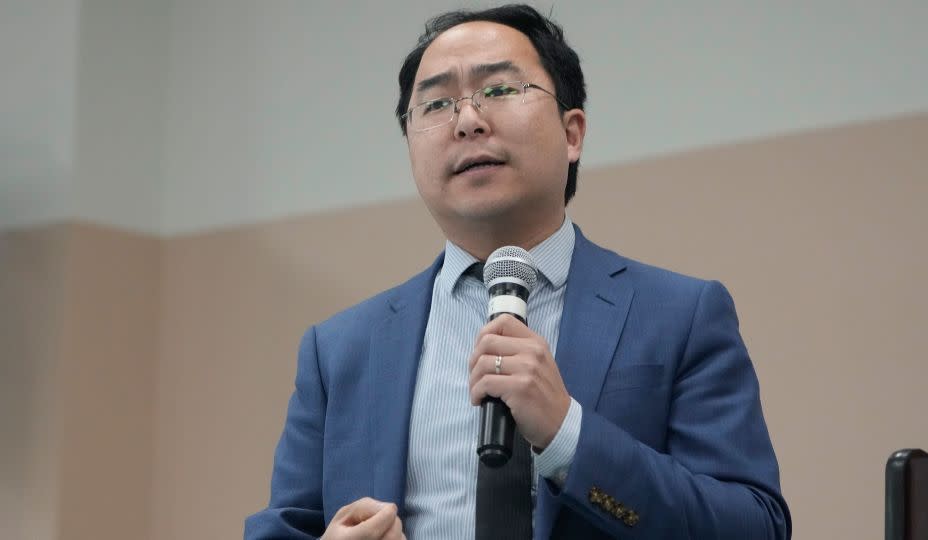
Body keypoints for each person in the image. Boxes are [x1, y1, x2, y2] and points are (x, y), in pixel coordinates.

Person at [245, 4, 791, 539]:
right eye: (435, 104)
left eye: (500, 89)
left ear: (572, 133)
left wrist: (567, 434)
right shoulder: (339, 350)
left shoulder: (681, 315)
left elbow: (754, 525)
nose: (467, 121)